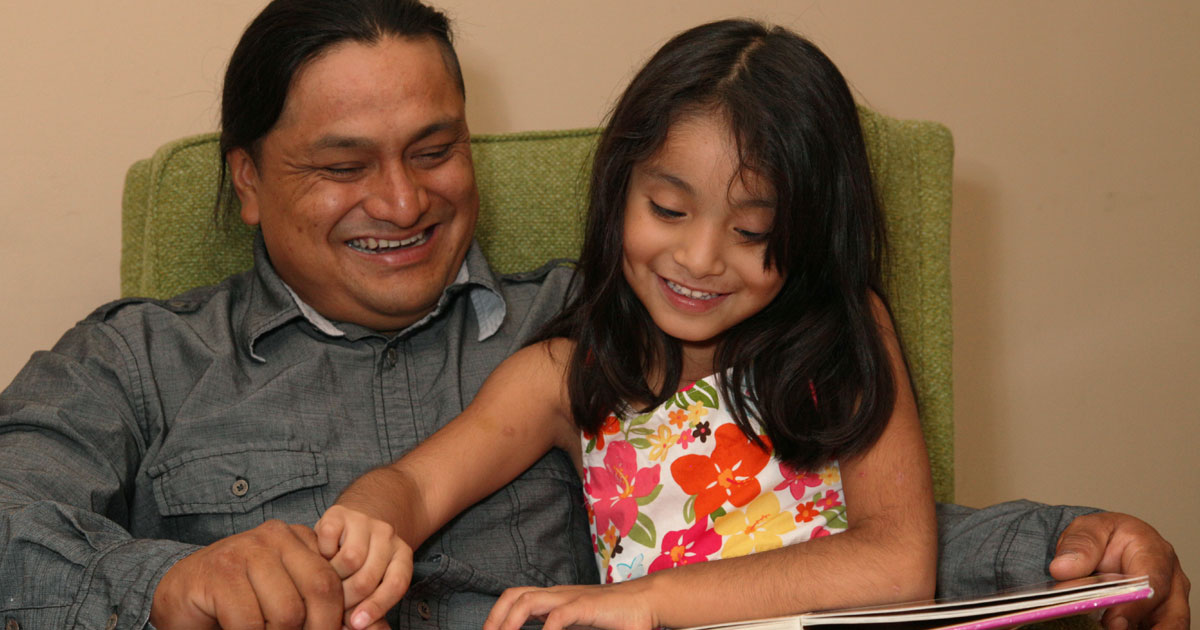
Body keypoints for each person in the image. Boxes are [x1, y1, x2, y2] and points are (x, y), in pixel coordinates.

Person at [0, 1, 1187, 630]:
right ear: (246, 179)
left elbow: (793, 517)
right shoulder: (142, 360)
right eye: (342, 165)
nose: (404, 201)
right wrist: (157, 585)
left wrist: (1058, 546)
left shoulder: (614, 324)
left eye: (434, 148)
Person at [316, 18, 938, 630]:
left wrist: (650, 599)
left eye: (753, 232)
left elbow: (898, 565)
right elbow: (417, 488)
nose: (699, 258)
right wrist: (366, 523)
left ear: (812, 232)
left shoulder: (842, 330)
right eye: (668, 209)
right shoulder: (567, 375)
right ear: (619, 190)